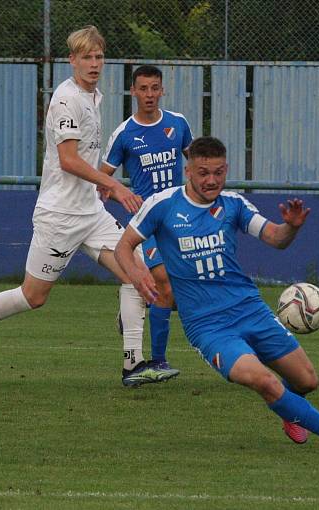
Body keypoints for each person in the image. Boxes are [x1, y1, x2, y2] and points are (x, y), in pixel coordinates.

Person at [0, 26, 176, 387]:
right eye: (86, 57)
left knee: (138, 274)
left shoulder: (95, 95)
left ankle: (133, 364)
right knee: (33, 296)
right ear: (72, 61)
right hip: (60, 216)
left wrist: (100, 189)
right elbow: (67, 159)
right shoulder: (66, 99)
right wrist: (111, 183)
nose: (94, 64)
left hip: (90, 212)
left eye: (98, 57)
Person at [114, 136, 319, 456]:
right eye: (203, 172)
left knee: (306, 381)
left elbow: (274, 237)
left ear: (226, 169)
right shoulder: (162, 205)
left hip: (250, 309)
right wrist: (137, 275)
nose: (211, 180)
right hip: (208, 326)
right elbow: (123, 246)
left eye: (218, 172)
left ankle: (291, 412)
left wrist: (292, 227)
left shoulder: (233, 204)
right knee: (265, 382)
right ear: (188, 170)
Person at [99, 64, 193, 375]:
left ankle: (132, 315)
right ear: (133, 91)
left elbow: (196, 164)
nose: (149, 95)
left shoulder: (178, 125)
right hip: (147, 223)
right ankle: (158, 361)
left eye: (155, 88)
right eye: (143, 89)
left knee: (181, 292)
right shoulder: (124, 134)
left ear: (162, 90)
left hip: (179, 220)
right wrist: (122, 194)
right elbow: (102, 182)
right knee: (162, 280)